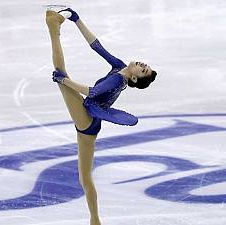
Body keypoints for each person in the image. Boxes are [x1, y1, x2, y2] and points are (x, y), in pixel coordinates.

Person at [45, 8, 157, 225]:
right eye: (145, 65)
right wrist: (76, 20)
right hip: (91, 119)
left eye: (143, 70)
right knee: (85, 178)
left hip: (87, 117)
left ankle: (53, 28)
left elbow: (92, 92)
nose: (143, 65)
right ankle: (95, 220)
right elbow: (96, 46)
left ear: (134, 79)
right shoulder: (120, 68)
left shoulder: (118, 80)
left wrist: (63, 81)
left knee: (60, 70)